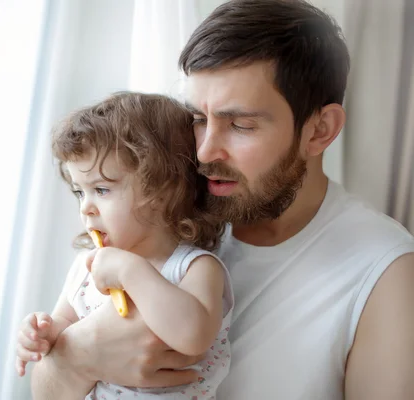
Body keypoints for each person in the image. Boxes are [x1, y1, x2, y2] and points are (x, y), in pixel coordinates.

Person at [31, 0, 414, 399]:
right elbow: (46, 389)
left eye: (241, 125)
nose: (204, 152)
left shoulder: (384, 272)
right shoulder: (157, 209)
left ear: (320, 130)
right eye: (198, 119)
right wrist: (77, 357)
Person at [17, 92, 234, 398]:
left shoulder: (194, 268)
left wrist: (132, 271)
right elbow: (64, 335)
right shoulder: (85, 267)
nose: (86, 208)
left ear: (163, 190)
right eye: (81, 192)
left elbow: (193, 336)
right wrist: (44, 334)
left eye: (102, 189)